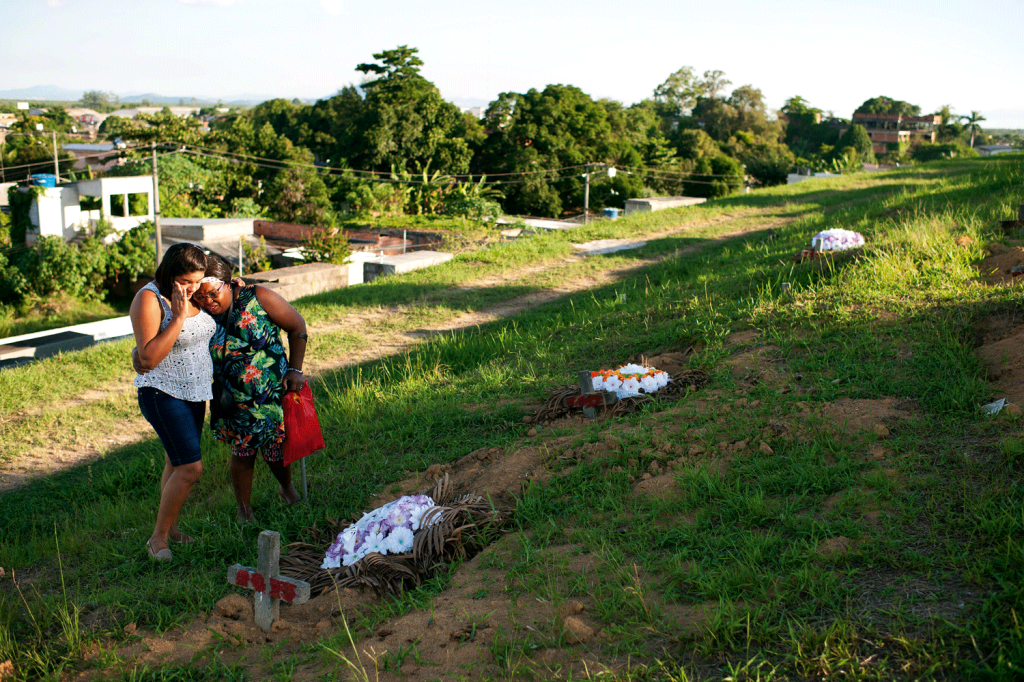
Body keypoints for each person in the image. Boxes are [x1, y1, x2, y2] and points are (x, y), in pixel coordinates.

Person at [193, 257, 308, 523]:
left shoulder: (258, 297)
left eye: (213, 293)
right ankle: (244, 510)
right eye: (200, 296)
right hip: (231, 399)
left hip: (268, 394)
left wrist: (295, 370)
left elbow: (297, 325)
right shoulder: (200, 314)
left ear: (230, 283)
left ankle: (287, 490)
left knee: (274, 449)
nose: (208, 300)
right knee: (242, 452)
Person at [130, 242, 215, 563]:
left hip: (195, 391)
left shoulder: (196, 293)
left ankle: (173, 530)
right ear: (169, 273)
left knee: (175, 462)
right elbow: (148, 358)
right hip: (162, 392)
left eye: (198, 280)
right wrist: (178, 317)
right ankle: (158, 539)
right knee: (191, 469)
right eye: (186, 280)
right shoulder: (150, 299)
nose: (193, 287)